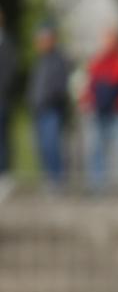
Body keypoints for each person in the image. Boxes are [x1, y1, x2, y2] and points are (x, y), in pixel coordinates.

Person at [82, 28, 118, 190]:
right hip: (100, 110)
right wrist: (88, 100)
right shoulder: (98, 60)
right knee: (96, 148)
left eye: (110, 39)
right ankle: (97, 184)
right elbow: (92, 82)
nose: (106, 43)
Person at [27, 24, 69, 187]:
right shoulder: (39, 61)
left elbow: (60, 87)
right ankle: (48, 178)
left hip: (51, 109)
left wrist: (48, 99)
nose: (40, 43)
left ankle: (57, 180)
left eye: (43, 40)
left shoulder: (58, 60)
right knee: (42, 146)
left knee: (52, 145)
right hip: (38, 110)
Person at [0, 8, 15, 175]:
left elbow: (8, 72)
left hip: (1, 98)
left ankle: (3, 173)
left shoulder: (7, 44)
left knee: (2, 138)